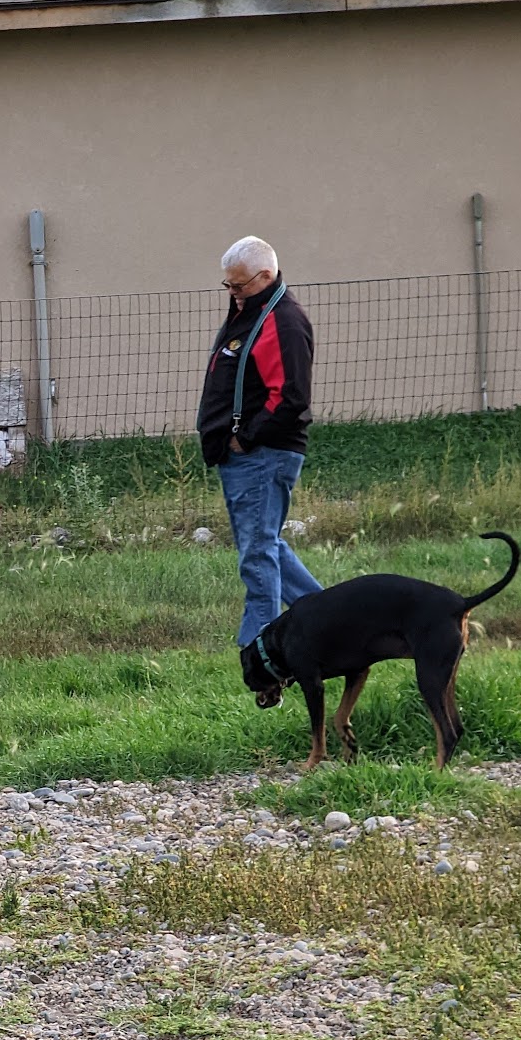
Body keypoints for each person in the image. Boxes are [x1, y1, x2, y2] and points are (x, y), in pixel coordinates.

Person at [196, 236, 321, 703]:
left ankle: (264, 660)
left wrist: (245, 437)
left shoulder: (284, 322)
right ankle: (328, 619)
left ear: (265, 277)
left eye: (239, 285)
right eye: (228, 285)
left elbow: (292, 399)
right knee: (267, 546)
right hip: (243, 458)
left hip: (262, 456)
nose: (233, 292)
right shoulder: (250, 311)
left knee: (257, 555)